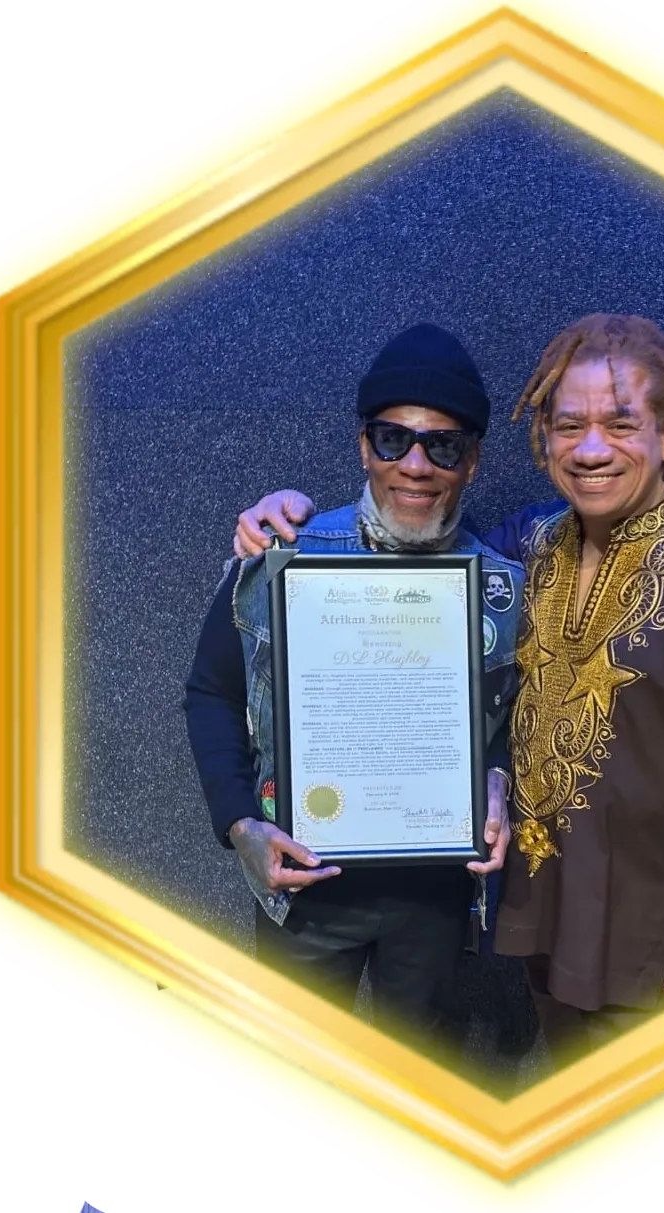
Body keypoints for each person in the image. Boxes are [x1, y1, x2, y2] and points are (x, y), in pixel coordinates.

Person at [231, 314, 664, 1068]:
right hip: (543, 917)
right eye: (568, 426)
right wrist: (287, 520)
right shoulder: (527, 546)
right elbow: (417, 552)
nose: (590, 449)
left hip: (658, 942)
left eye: (619, 424)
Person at [183, 322, 524, 1056]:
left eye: (444, 445)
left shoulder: (503, 587)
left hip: (434, 897)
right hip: (303, 889)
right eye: (393, 439)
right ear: (364, 446)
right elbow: (211, 692)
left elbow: (513, 721)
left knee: (416, 1079)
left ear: (472, 461)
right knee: (295, 1078)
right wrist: (239, 825)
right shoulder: (281, 556)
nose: (416, 465)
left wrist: (498, 781)